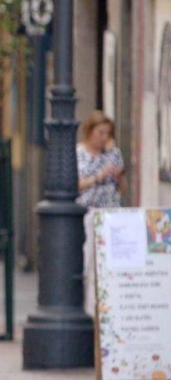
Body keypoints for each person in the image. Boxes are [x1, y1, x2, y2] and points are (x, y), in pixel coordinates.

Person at [78, 110, 124, 315]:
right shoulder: (79, 153)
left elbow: (122, 186)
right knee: (90, 259)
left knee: (112, 262)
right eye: (100, 132)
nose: (103, 137)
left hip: (112, 212)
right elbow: (76, 184)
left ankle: (112, 307)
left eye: (107, 133)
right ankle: (90, 308)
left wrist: (118, 176)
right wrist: (99, 176)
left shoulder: (113, 154)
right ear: (90, 131)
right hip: (90, 211)